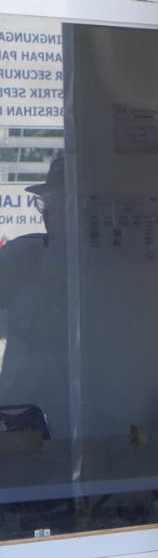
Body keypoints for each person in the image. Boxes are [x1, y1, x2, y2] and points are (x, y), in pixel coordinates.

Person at [0, 155, 71, 435]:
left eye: (57, 202)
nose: (47, 213)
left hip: (81, 406)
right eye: (45, 203)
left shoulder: (108, 268)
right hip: (20, 406)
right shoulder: (19, 256)